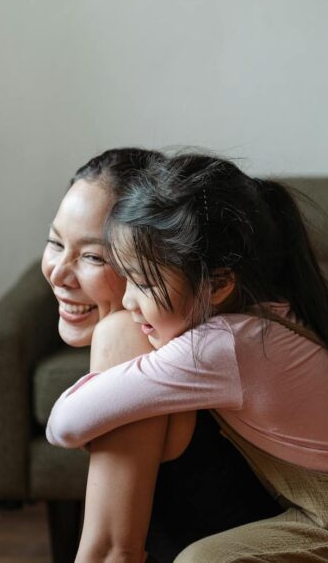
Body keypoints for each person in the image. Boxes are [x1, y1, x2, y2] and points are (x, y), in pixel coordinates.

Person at [47, 153, 328, 562]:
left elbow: (64, 424)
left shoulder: (225, 345)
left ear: (219, 283)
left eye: (139, 280)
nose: (129, 300)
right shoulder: (256, 317)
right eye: (54, 242)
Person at [42, 149, 283, 563]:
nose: (59, 273)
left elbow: (111, 551)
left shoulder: (126, 336)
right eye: (55, 242)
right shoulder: (211, 326)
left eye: (93, 256)